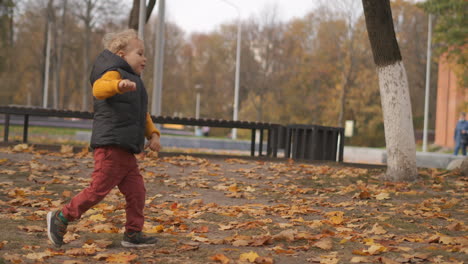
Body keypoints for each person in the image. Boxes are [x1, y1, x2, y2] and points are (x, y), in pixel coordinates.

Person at [47, 29, 161, 248]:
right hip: (110, 147)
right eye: (139, 53)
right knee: (97, 191)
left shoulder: (135, 82)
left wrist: (153, 134)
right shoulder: (112, 73)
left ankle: (133, 233)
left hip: (126, 152)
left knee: (137, 192)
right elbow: (99, 89)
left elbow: (142, 115)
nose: (144, 58)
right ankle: (62, 216)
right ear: (121, 55)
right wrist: (117, 85)